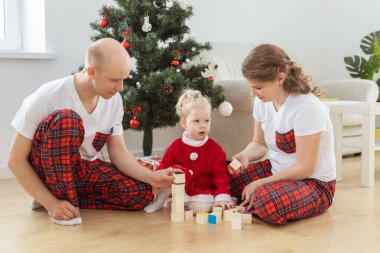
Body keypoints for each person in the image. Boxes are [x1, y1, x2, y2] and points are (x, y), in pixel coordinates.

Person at [7, 38, 177, 226]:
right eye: (114, 80)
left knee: (140, 193)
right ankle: (57, 199)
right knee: (67, 120)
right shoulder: (46, 97)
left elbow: (119, 153)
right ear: (91, 71)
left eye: (123, 79)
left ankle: (68, 197)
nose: (120, 87)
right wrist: (51, 203)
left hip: (82, 170)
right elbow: (15, 160)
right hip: (46, 169)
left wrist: (151, 177)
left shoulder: (114, 100)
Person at [230, 44, 336, 225]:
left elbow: (305, 168)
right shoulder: (262, 102)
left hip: (313, 184)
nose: (253, 93)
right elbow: (259, 143)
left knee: (266, 200)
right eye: (251, 87)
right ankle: (248, 202)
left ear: (280, 78)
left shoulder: (307, 108)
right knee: (226, 177)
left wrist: (262, 183)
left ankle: (251, 202)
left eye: (258, 87)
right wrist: (245, 155)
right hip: (276, 170)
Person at [144, 89, 235, 214]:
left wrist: (222, 196)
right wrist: (159, 181)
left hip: (201, 191)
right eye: (196, 121)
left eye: (206, 121)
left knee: (200, 209)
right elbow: (164, 166)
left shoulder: (215, 149)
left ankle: (187, 204)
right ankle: (160, 201)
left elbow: (221, 177)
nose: (202, 125)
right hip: (179, 188)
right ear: (184, 122)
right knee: (171, 175)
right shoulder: (176, 146)